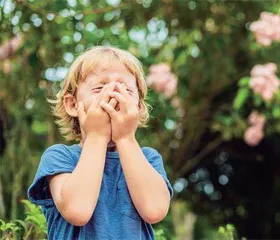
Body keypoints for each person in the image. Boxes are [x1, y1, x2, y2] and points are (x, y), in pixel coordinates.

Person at [27, 46, 173, 239]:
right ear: (72, 104)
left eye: (126, 90)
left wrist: (125, 138)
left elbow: (155, 211)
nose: (113, 95)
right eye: (99, 89)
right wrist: (96, 137)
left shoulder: (148, 159)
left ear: (137, 108)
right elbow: (77, 211)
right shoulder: (60, 157)